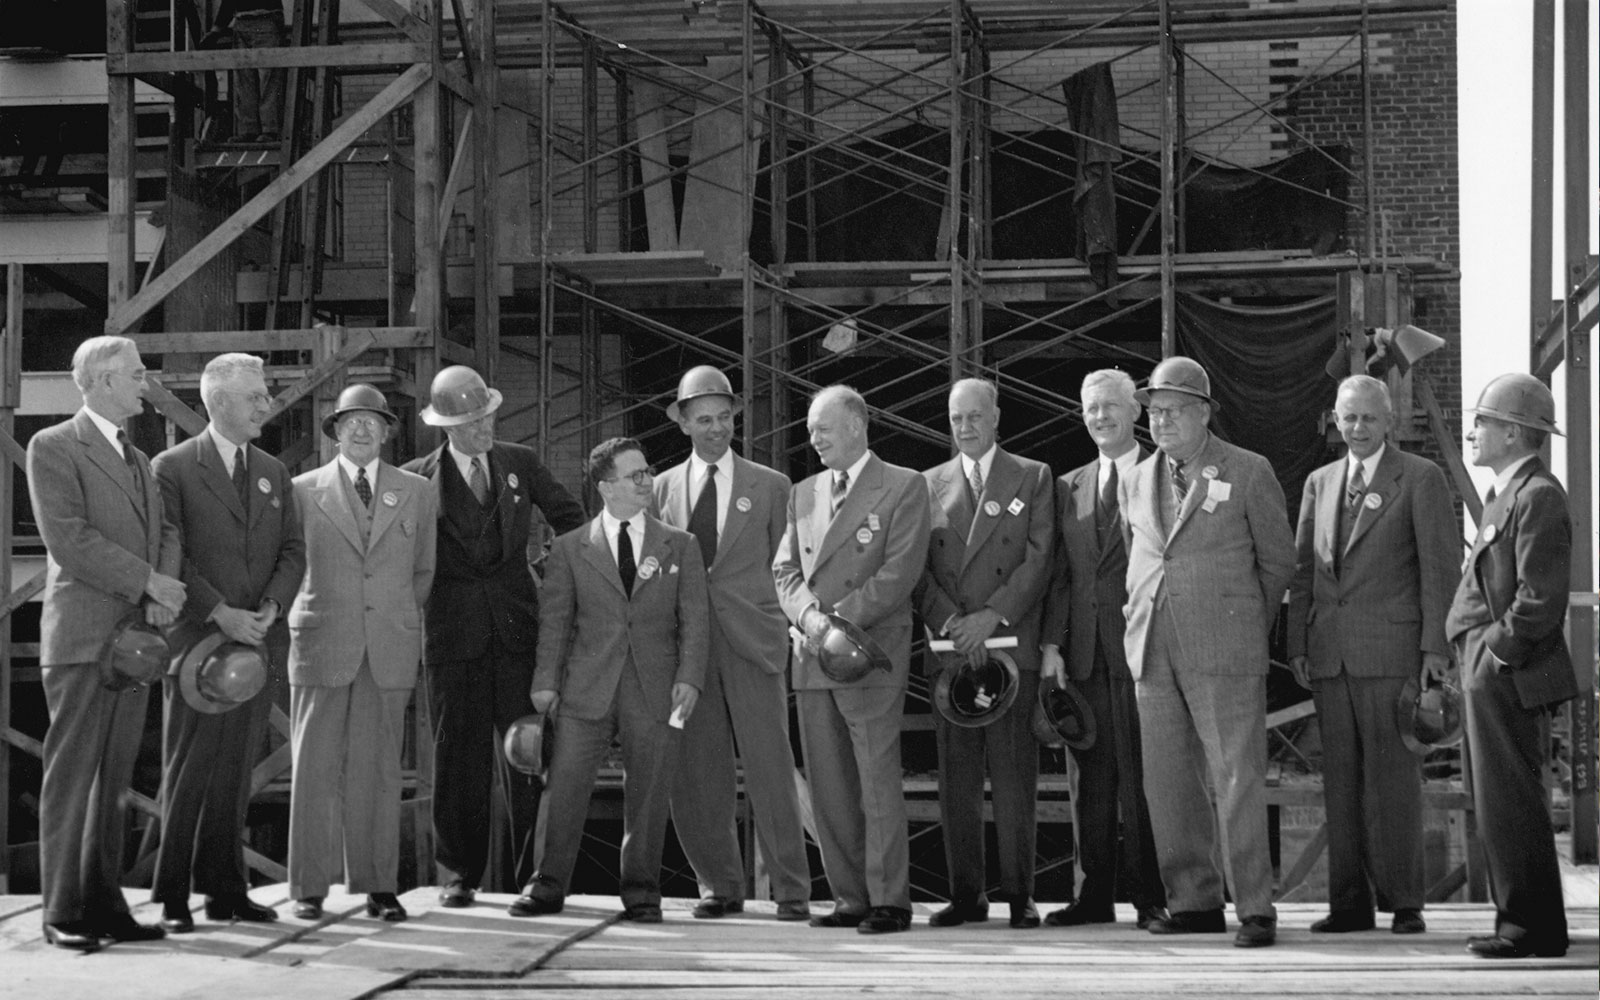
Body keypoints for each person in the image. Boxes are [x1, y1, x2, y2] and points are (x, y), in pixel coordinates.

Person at [1121, 356, 1294, 948]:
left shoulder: (1247, 470)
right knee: (1167, 781)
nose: (1160, 422)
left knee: (1237, 775)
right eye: (1154, 412)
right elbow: (1143, 556)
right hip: (1152, 645)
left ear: (1203, 414)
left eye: (1171, 411)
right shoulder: (1138, 477)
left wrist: (1242, 623)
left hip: (1224, 645)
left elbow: (1278, 563)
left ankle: (1255, 908)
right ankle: (1192, 901)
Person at [402, 366, 584, 906]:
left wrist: (555, 574)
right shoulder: (416, 479)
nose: (484, 427)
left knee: (528, 753)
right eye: (471, 420)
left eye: (487, 416)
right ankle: (460, 874)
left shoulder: (519, 464)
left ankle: (536, 875)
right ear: (447, 426)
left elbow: (572, 520)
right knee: (457, 756)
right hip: (452, 639)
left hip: (516, 633)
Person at [27, 336, 185, 950]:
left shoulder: (138, 459)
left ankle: (105, 903)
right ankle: (62, 911)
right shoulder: (54, 446)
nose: (145, 384)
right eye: (137, 374)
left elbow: (166, 529)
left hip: (133, 638)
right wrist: (147, 580)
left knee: (114, 776)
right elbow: (68, 538)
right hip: (84, 639)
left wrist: (161, 588)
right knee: (72, 775)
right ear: (98, 381)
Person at [509, 438, 709, 923]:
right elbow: (556, 621)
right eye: (635, 475)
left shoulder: (679, 544)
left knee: (649, 789)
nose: (647, 482)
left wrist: (690, 677)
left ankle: (642, 891)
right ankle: (547, 884)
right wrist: (545, 682)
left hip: (655, 684)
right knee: (565, 786)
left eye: (648, 472)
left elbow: (696, 619)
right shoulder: (572, 546)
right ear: (605, 487)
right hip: (585, 686)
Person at [1285, 374, 1456, 936]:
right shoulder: (1319, 481)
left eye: (1368, 418)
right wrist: (1299, 644)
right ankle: (1349, 904)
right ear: (1336, 421)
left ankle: (1405, 902)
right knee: (1340, 783)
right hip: (1330, 655)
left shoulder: (1421, 478)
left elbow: (1438, 569)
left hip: (1391, 654)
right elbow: (1305, 570)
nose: (1357, 428)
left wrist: (1435, 648)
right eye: (1348, 417)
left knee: (1394, 781)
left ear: (1390, 422)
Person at [149, 353, 306, 933]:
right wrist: (219, 612)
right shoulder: (173, 468)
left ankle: (226, 891)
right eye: (255, 397)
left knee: (236, 773)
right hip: (199, 647)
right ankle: (171, 897)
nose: (266, 404)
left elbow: (293, 549)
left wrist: (269, 607)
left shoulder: (272, 470)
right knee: (189, 768)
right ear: (218, 402)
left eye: (264, 395)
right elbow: (170, 555)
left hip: (257, 645)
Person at [651, 367, 813, 921]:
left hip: (754, 641)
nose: (716, 428)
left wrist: (789, 625)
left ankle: (792, 891)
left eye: (724, 418)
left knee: (772, 767)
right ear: (684, 424)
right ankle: (718, 887)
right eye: (704, 420)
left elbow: (787, 566)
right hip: (689, 651)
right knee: (698, 772)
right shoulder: (661, 489)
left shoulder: (771, 486)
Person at [774, 385, 931, 935]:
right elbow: (785, 573)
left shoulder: (905, 486)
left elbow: (899, 572)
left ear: (859, 424)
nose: (813, 439)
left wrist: (835, 621)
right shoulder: (803, 493)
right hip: (813, 654)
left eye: (823, 428)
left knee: (875, 778)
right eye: (811, 430)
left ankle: (890, 899)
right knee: (829, 782)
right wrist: (810, 621)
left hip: (866, 653)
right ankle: (849, 897)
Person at [285, 384, 436, 923]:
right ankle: (306, 888)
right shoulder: (302, 490)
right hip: (323, 641)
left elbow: (423, 571)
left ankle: (378, 886)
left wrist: (391, 618)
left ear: (388, 431)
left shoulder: (416, 490)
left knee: (381, 771)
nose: (362, 428)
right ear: (335, 431)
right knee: (314, 768)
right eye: (352, 420)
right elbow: (289, 565)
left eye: (373, 420)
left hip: (387, 648)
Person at [1446, 373, 1576, 959]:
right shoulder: (1511, 493)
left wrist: (1492, 655)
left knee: (1513, 800)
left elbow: (1540, 599)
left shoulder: (1538, 495)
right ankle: (1514, 919)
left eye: (1482, 422)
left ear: (1513, 432)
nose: (1472, 432)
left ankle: (1533, 928)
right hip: (1490, 669)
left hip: (1506, 671)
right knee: (1495, 800)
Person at [917, 378, 1054, 930]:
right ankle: (966, 895)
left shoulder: (1033, 476)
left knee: (1015, 779)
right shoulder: (927, 485)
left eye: (976, 415)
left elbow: (1040, 559)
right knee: (957, 782)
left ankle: (1021, 896)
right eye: (956, 418)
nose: (967, 426)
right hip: (952, 655)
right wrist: (952, 621)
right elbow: (915, 570)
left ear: (997, 417)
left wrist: (990, 615)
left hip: (1007, 650)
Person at [1039, 368, 1167, 930]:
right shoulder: (1068, 486)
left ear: (1136, 411)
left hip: (1145, 650)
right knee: (1087, 783)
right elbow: (1061, 574)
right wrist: (1052, 646)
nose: (1100, 417)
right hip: (1085, 655)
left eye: (1111, 406)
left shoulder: (1164, 474)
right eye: (1091, 408)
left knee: (1144, 780)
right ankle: (1092, 896)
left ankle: (1149, 897)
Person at [208, 0, 287, 144]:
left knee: (266, 79)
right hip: (246, 21)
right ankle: (252, 130)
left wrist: (216, 30)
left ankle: (268, 130)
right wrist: (216, 30)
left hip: (264, 18)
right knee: (247, 79)